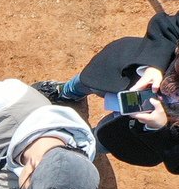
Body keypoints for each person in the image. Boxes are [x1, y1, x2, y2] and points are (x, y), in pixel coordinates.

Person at [35, 11, 179, 174]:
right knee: (88, 82)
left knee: (96, 141)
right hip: (130, 72)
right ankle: (65, 92)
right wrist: (154, 65)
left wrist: (158, 128)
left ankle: (75, 147)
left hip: (137, 137)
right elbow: (170, 25)